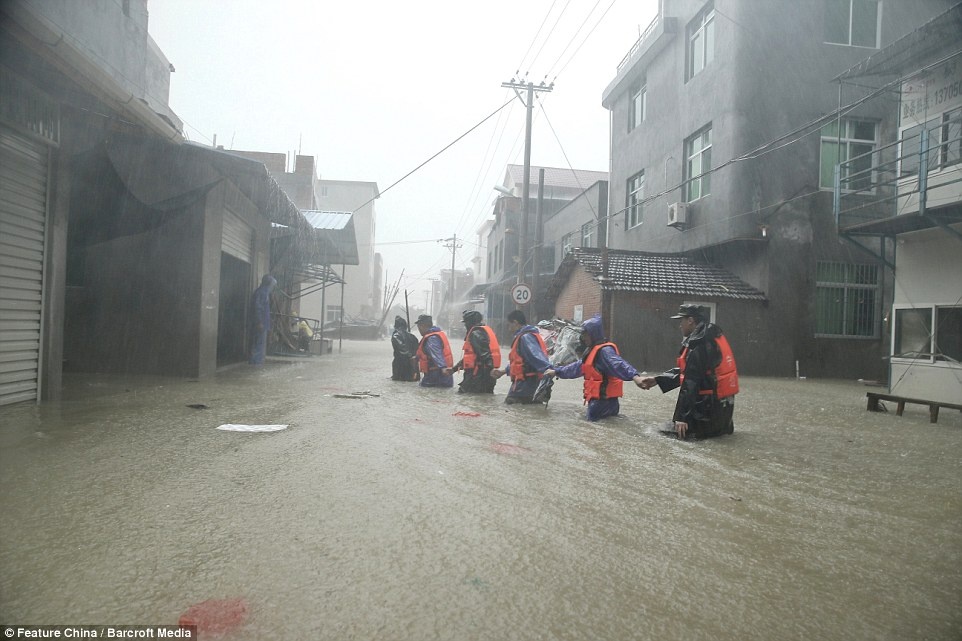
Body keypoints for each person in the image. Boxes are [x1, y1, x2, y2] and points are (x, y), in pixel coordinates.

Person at [639, 304, 739, 439]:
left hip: (706, 416)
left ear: (691, 320)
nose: (680, 325)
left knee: (654, 433)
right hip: (723, 417)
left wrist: (682, 418)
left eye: (682, 321)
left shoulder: (699, 344)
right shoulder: (712, 336)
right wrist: (658, 380)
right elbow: (690, 372)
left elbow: (691, 381)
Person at [544, 314, 646, 421]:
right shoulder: (592, 352)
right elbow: (576, 368)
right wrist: (556, 371)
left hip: (600, 404)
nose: (583, 338)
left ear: (593, 334)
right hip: (607, 403)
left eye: (585, 334)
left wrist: (635, 377)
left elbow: (618, 364)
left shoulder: (604, 352)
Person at [492, 310, 551, 404]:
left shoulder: (526, 337)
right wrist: (503, 372)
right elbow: (521, 362)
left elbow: (537, 357)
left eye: (509, 325)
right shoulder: (525, 336)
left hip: (525, 386)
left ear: (515, 322)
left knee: (512, 408)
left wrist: (550, 372)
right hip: (525, 384)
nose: (508, 328)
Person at [445, 310, 500, 394]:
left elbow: (485, 355)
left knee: (464, 396)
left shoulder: (475, 334)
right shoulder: (483, 332)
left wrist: (490, 370)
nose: (465, 326)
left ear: (470, 322)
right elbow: (472, 357)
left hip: (477, 377)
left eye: (465, 323)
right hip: (484, 377)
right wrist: (454, 369)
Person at [414, 314, 454, 388]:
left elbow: (437, 354)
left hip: (436, 377)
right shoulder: (434, 335)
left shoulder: (432, 338)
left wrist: (443, 368)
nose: (419, 329)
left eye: (419, 327)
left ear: (423, 326)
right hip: (442, 376)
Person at [249, 274, 276, 365]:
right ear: (268, 284)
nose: (273, 287)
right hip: (260, 324)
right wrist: (259, 321)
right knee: (258, 344)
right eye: (272, 285)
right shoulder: (262, 293)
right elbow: (258, 308)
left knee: (259, 344)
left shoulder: (264, 293)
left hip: (263, 323)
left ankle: (256, 362)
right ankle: (255, 363)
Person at [390, 316, 420, 382]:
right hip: (413, 366)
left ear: (395, 326)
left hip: (400, 366)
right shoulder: (413, 336)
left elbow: (402, 350)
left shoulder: (396, 336)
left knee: (399, 383)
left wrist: (409, 356)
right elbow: (418, 350)